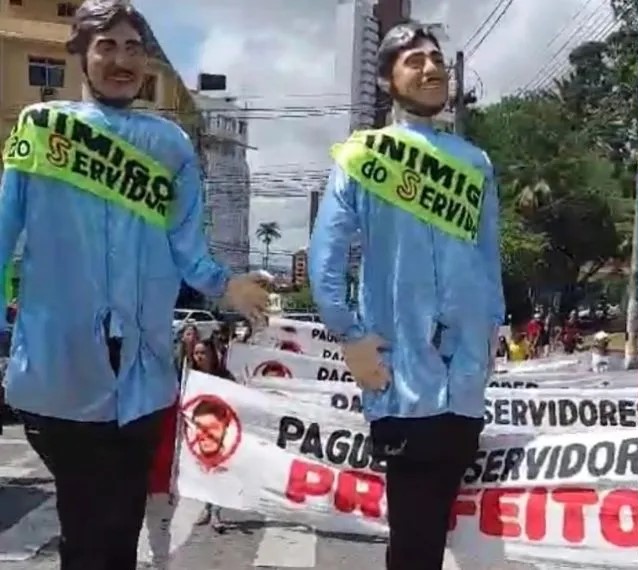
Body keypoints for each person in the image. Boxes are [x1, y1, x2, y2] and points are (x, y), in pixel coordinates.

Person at [0, 2, 270, 569]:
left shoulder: (170, 145)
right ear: (81, 54)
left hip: (143, 373)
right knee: (84, 523)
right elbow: (4, 231)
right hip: (60, 363)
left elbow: (187, 250)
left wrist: (227, 287)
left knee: (121, 528)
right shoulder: (42, 128)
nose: (121, 59)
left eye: (132, 48)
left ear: (146, 61)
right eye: (106, 46)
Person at [308, 23, 504, 570]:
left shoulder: (475, 162)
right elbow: (326, 254)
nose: (430, 67)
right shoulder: (363, 155)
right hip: (400, 377)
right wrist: (349, 334)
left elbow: (488, 255)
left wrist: (492, 329)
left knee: (439, 527)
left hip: (464, 380)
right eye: (413, 60)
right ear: (386, 78)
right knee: (414, 535)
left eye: (435, 58)